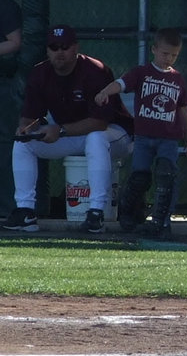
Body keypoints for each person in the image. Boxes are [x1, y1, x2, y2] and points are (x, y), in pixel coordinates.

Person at [3, 25, 134, 233]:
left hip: (117, 134)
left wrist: (61, 130)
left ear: (75, 48)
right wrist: (25, 128)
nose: (59, 52)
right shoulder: (40, 72)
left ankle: (96, 212)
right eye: (54, 47)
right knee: (24, 144)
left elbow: (100, 122)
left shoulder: (95, 70)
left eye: (64, 46)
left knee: (96, 138)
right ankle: (25, 211)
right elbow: (30, 116)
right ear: (47, 50)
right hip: (71, 134)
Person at [93, 27, 187, 237]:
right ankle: (129, 213)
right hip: (143, 137)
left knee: (166, 175)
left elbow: (183, 109)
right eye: (165, 53)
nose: (169, 59)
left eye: (174, 55)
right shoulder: (142, 73)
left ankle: (161, 222)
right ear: (154, 49)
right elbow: (121, 84)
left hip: (168, 138)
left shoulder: (178, 80)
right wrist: (104, 91)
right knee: (140, 176)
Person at [0, 0, 22, 215]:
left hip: (3, 84)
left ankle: (8, 208)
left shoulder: (4, 5)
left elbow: (15, 42)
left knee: (5, 144)